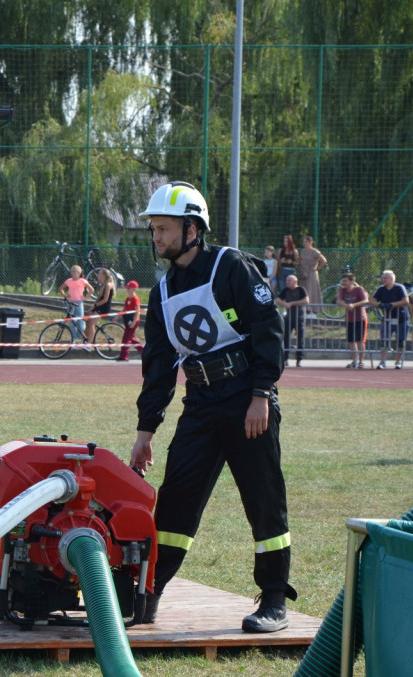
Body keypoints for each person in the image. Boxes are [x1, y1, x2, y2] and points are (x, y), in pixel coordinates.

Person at [130, 181, 293, 633]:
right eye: (154, 229)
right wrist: (146, 432)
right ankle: (150, 591)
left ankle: (275, 600)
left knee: (263, 502)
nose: (156, 237)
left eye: (163, 229)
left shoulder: (232, 266)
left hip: (247, 401)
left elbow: (268, 330)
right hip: (200, 403)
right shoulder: (162, 293)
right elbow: (159, 366)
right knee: (176, 502)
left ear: (192, 228)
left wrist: (261, 394)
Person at [370, 270, 409, 369]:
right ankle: (382, 362)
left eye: (385, 278)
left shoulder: (399, 287)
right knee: (384, 340)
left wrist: (392, 305)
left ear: (392, 279)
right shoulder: (381, 289)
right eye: (383, 278)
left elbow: (406, 301)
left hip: (401, 318)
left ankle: (398, 362)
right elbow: (372, 300)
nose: (383, 280)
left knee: (400, 340)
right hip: (387, 319)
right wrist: (379, 305)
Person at [336, 272, 368, 368]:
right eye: (343, 281)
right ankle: (354, 361)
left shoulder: (359, 289)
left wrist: (354, 305)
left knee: (360, 341)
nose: (343, 283)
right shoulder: (342, 290)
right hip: (350, 319)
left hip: (360, 318)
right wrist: (346, 305)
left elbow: (365, 300)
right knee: (351, 341)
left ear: (352, 281)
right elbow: (339, 300)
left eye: (345, 281)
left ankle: (361, 362)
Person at [276, 274, 309, 367]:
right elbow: (277, 300)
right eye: (286, 281)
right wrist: (284, 303)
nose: (287, 282)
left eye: (289, 281)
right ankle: (285, 358)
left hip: (299, 317)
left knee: (300, 339)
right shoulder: (285, 290)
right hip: (288, 318)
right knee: (286, 338)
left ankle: (299, 359)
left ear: (295, 281)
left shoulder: (301, 290)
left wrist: (292, 303)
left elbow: (306, 300)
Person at [59, 265, 93, 343]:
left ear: (79, 273)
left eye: (75, 271)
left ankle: (81, 336)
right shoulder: (69, 281)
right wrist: (65, 296)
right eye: (72, 271)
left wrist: (86, 297)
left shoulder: (83, 281)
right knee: (72, 321)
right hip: (70, 303)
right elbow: (60, 288)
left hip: (79, 302)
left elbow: (91, 289)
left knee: (80, 321)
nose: (73, 273)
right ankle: (73, 337)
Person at [298, 236, 327, 319]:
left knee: (312, 291)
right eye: (303, 242)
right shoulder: (302, 251)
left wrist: (317, 268)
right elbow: (300, 261)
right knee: (305, 291)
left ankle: (313, 311)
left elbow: (324, 260)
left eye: (305, 242)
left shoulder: (314, 251)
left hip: (312, 274)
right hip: (304, 274)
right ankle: (306, 310)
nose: (304, 243)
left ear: (310, 242)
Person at [84, 267, 114, 348]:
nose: (98, 275)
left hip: (103, 307)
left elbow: (105, 300)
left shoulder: (108, 285)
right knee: (88, 321)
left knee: (92, 323)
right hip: (99, 306)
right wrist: (92, 306)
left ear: (103, 275)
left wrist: (95, 306)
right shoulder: (103, 284)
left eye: (99, 273)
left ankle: (89, 345)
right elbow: (98, 298)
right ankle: (86, 340)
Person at [117, 280, 144, 361]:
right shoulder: (127, 298)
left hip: (133, 321)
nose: (127, 290)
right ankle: (143, 350)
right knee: (131, 338)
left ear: (133, 289)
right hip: (128, 320)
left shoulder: (135, 299)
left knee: (126, 338)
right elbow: (124, 309)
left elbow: (137, 312)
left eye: (129, 288)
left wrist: (134, 322)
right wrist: (118, 317)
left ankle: (124, 356)